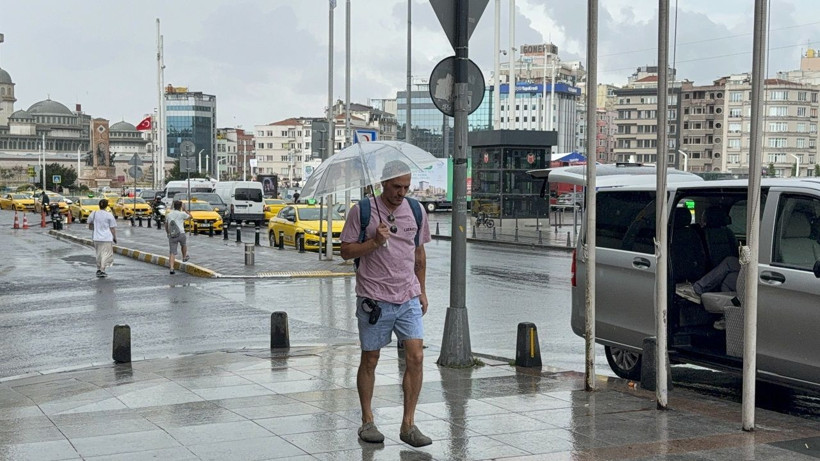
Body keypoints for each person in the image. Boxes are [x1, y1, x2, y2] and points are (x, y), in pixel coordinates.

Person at [339, 160, 432, 448]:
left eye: (406, 187)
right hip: (374, 298)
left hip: (408, 297)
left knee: (416, 357)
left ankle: (408, 425)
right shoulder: (362, 211)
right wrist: (374, 242)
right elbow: (345, 251)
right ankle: (367, 421)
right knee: (371, 358)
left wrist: (422, 291)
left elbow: (418, 254)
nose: (401, 193)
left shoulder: (416, 210)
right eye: (396, 187)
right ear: (383, 184)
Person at [88, 199, 117, 278]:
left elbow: (89, 224)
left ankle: (98, 268)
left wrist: (95, 228)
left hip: (96, 238)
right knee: (106, 254)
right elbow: (112, 228)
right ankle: (102, 270)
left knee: (99, 254)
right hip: (106, 238)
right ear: (107, 206)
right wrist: (114, 237)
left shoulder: (94, 213)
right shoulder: (109, 215)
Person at [165, 200, 191, 275]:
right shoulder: (182, 214)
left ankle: (171, 268)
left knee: (172, 252)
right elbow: (190, 216)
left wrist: (168, 233)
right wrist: (185, 210)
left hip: (172, 234)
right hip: (181, 233)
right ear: (180, 207)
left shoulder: (169, 214)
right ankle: (184, 257)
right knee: (183, 244)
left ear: (174, 206)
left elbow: (166, 225)